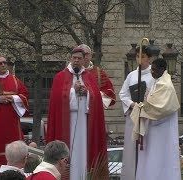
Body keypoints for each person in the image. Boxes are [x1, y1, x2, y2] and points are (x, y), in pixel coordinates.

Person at [46, 48, 108, 180]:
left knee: (84, 152)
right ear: (70, 59)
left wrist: (87, 93)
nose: (76, 61)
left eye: (79, 58)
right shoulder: (60, 77)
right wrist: (73, 91)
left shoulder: (89, 76)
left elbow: (96, 98)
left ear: (84, 60)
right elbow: (57, 99)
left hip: (85, 123)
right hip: (67, 122)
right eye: (74, 58)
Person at [130, 58, 181, 180]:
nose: (151, 72)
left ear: (162, 70)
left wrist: (142, 106)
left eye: (154, 69)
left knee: (159, 160)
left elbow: (160, 108)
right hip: (154, 129)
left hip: (162, 131)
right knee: (151, 160)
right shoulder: (157, 82)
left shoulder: (165, 85)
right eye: (151, 69)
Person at [119, 45, 153, 180]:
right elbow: (123, 94)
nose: (140, 59)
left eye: (143, 56)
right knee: (132, 151)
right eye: (138, 56)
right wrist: (132, 104)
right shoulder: (131, 76)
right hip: (133, 117)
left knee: (147, 149)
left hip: (147, 118)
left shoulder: (153, 75)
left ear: (149, 58)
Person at [77, 44, 116, 108]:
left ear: (91, 56)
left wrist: (89, 93)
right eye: (82, 54)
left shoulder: (98, 72)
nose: (84, 56)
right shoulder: (69, 72)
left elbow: (108, 93)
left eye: (86, 54)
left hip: (93, 109)